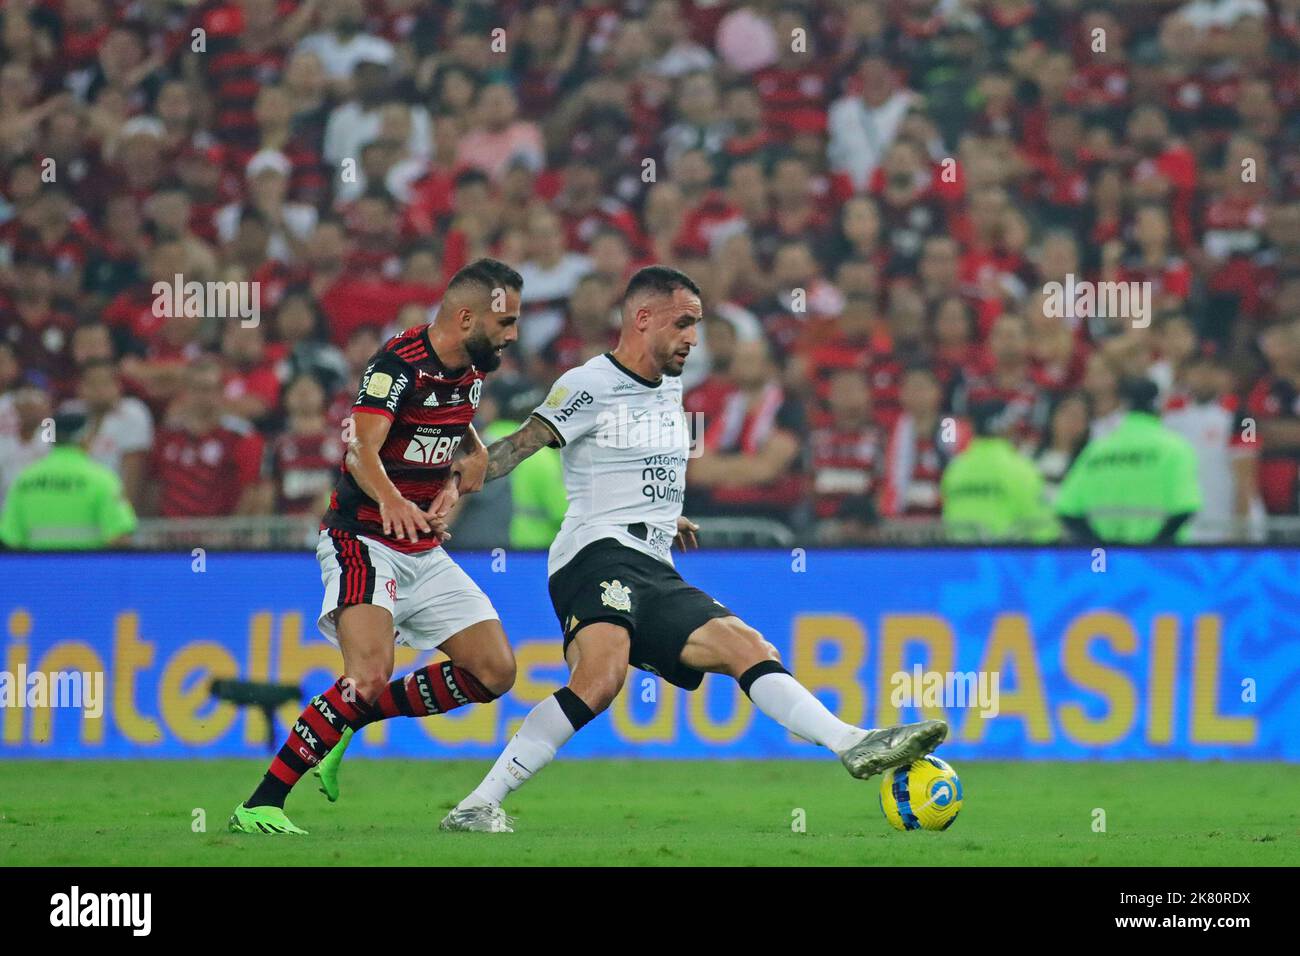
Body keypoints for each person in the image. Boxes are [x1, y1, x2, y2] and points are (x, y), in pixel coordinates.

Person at [335, 265, 945, 833]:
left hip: (650, 560)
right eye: (683, 323)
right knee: (600, 677)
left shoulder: (667, 392)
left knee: (744, 647)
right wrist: (457, 481)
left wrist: (660, 516)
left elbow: (629, 467)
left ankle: (852, 742)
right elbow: (521, 444)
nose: (693, 339)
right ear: (643, 319)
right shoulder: (591, 383)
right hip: (593, 554)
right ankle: (478, 804)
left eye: (698, 326)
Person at [228, 258, 524, 836]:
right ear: (466, 317)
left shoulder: (471, 371)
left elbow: (452, 428)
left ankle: (348, 726)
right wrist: (390, 500)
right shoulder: (396, 365)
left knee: (495, 671)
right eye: (505, 323)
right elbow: (361, 451)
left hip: (422, 548)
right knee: (366, 674)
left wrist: (473, 461)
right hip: (362, 539)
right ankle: (260, 805)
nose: (512, 336)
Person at [1055, 378, 1202, 544]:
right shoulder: (1175, 449)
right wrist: (1151, 549)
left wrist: (1101, 546)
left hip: (1106, 562)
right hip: (1160, 562)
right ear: (1160, 404)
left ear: (1122, 405)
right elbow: (1185, 508)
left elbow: (1067, 509)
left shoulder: (1097, 450)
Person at [0, 410, 137, 550]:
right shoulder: (101, 480)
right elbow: (120, 536)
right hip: (88, 568)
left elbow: (10, 538)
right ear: (85, 438)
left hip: (37, 569)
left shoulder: (25, 480)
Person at [941, 401, 1058, 542]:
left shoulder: (955, 469)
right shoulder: (1021, 468)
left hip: (957, 556)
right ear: (1006, 427)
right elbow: (1043, 529)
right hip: (1004, 557)